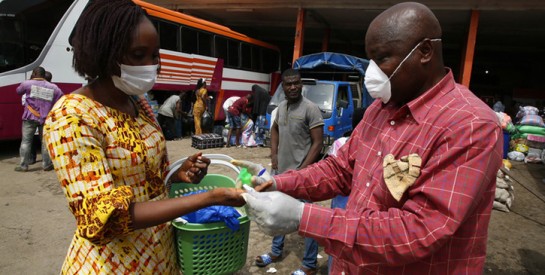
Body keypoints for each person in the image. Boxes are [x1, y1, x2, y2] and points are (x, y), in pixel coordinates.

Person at [238, 2, 503, 274]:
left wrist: (303, 217)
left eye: (382, 58)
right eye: (370, 60)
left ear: (425, 51)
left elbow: (418, 230)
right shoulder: (380, 109)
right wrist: (279, 183)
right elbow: (340, 169)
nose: (372, 72)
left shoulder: (469, 125)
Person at [42, 1, 244, 274]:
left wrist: (176, 175)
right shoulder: (73, 116)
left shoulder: (140, 104)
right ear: (102, 53)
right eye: (138, 55)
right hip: (112, 265)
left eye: (154, 56)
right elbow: (103, 217)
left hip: (160, 257)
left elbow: (146, 183)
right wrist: (209, 198)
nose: (151, 66)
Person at [253, 68, 324, 275]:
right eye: (288, 84)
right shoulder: (281, 107)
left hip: (302, 177)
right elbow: (275, 128)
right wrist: (273, 153)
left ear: (301, 85)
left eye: (296, 83)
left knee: (308, 220)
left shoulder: (311, 109)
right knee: (277, 213)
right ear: (282, 87)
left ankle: (309, 265)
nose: (293, 87)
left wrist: (302, 171)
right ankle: (275, 252)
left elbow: (318, 143)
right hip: (281, 175)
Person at [15, 66, 63, 172]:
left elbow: (18, 91)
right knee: (45, 142)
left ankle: (23, 165)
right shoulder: (54, 87)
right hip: (45, 119)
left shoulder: (27, 84)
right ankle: (46, 164)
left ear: (34, 74)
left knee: (26, 141)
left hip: (29, 117)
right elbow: (60, 98)